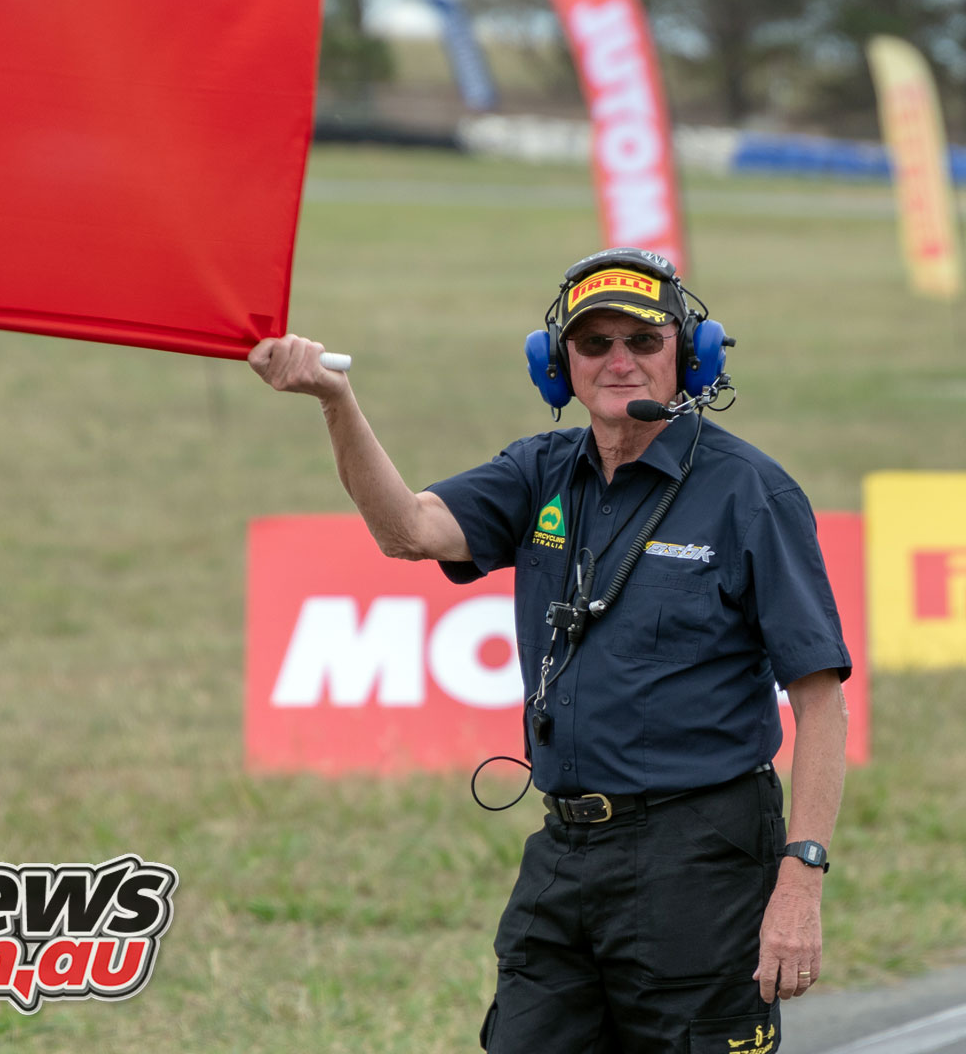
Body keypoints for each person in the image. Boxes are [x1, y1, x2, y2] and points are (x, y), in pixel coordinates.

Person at [249, 247, 850, 1053]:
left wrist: (800, 881)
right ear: (558, 365)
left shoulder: (751, 494)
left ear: (691, 354)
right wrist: (336, 401)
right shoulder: (540, 472)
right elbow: (409, 530)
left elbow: (821, 702)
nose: (619, 361)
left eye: (642, 340)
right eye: (593, 343)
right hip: (566, 852)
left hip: (702, 857)